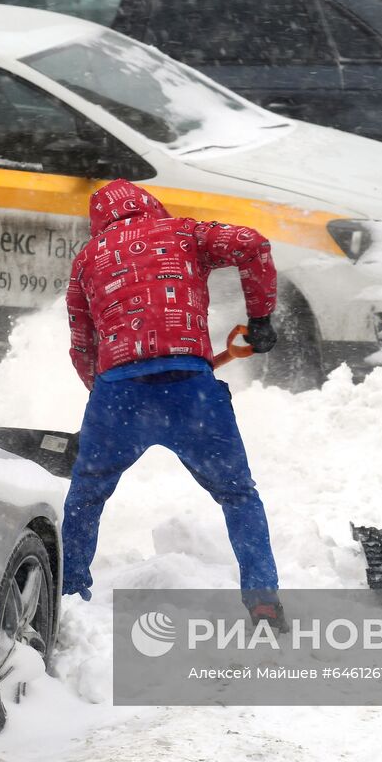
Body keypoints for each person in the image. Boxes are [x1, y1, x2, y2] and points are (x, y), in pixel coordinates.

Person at [62, 178, 285, 629]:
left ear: (99, 222)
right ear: (151, 206)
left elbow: (82, 345)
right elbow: (252, 243)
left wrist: (102, 405)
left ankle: (66, 599)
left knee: (85, 497)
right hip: (192, 390)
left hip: (119, 394)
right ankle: (263, 601)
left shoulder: (87, 259)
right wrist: (260, 318)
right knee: (239, 495)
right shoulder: (184, 232)